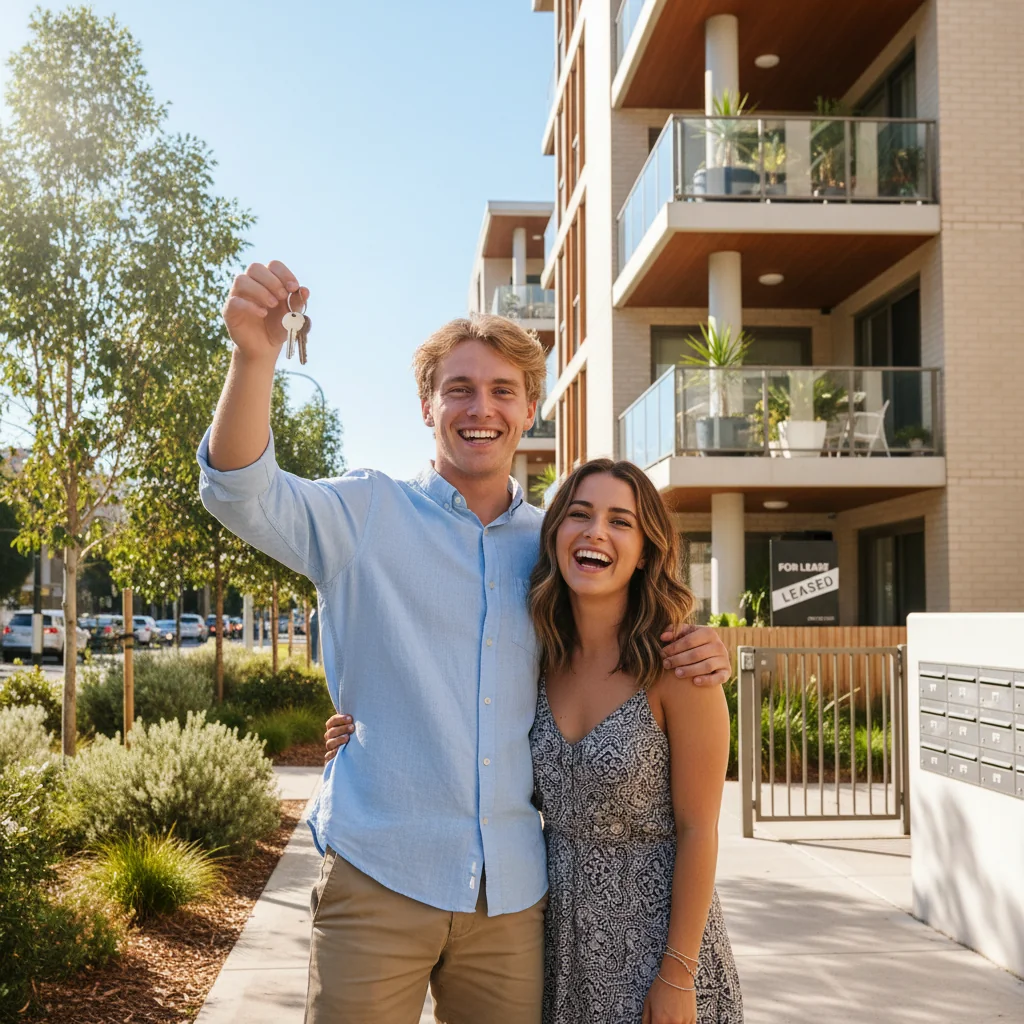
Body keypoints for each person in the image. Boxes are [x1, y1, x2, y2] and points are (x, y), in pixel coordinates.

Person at [199, 260, 733, 1024]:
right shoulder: (365, 511)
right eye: (459, 389)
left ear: (529, 410)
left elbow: (627, 617)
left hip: (512, 901)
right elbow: (240, 491)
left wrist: (709, 646)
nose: (479, 408)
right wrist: (254, 357)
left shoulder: (554, 544)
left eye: (501, 391)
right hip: (380, 873)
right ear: (427, 406)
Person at [329, 459, 743, 1023]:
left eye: (621, 521)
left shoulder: (678, 670)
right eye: (580, 514)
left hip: (655, 949)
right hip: (555, 944)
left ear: (646, 550)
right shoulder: (538, 658)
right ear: (554, 536)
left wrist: (677, 972)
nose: (596, 531)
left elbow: (701, 831)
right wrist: (361, 734)